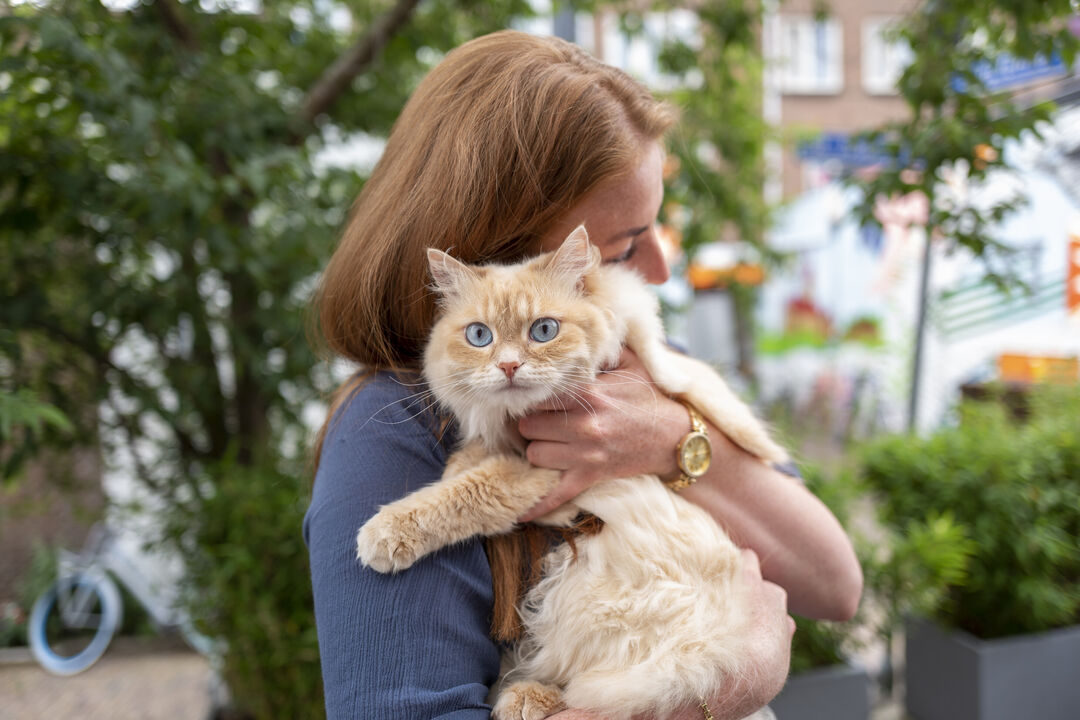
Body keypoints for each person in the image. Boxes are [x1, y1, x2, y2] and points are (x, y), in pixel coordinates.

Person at [305, 29, 862, 720]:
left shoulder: (638, 359)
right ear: (502, 250)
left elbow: (836, 587)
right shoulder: (389, 432)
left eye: (657, 230)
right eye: (624, 246)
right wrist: (723, 686)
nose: (660, 270)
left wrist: (676, 440)